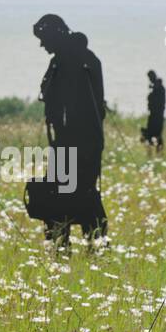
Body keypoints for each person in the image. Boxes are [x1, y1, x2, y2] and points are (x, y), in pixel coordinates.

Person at [31, 14, 107, 246]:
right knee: (71, 193)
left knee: (73, 194)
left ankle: (82, 245)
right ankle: (87, 245)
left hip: (76, 142)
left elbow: (72, 104)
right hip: (73, 141)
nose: (42, 44)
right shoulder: (75, 59)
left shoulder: (72, 61)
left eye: (44, 38)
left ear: (55, 34)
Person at [140, 70, 166, 152]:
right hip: (154, 115)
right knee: (151, 134)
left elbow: (158, 102)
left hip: (157, 115)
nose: (150, 79)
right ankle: (153, 152)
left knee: (155, 134)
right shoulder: (157, 87)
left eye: (150, 77)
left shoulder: (159, 88)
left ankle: (156, 152)